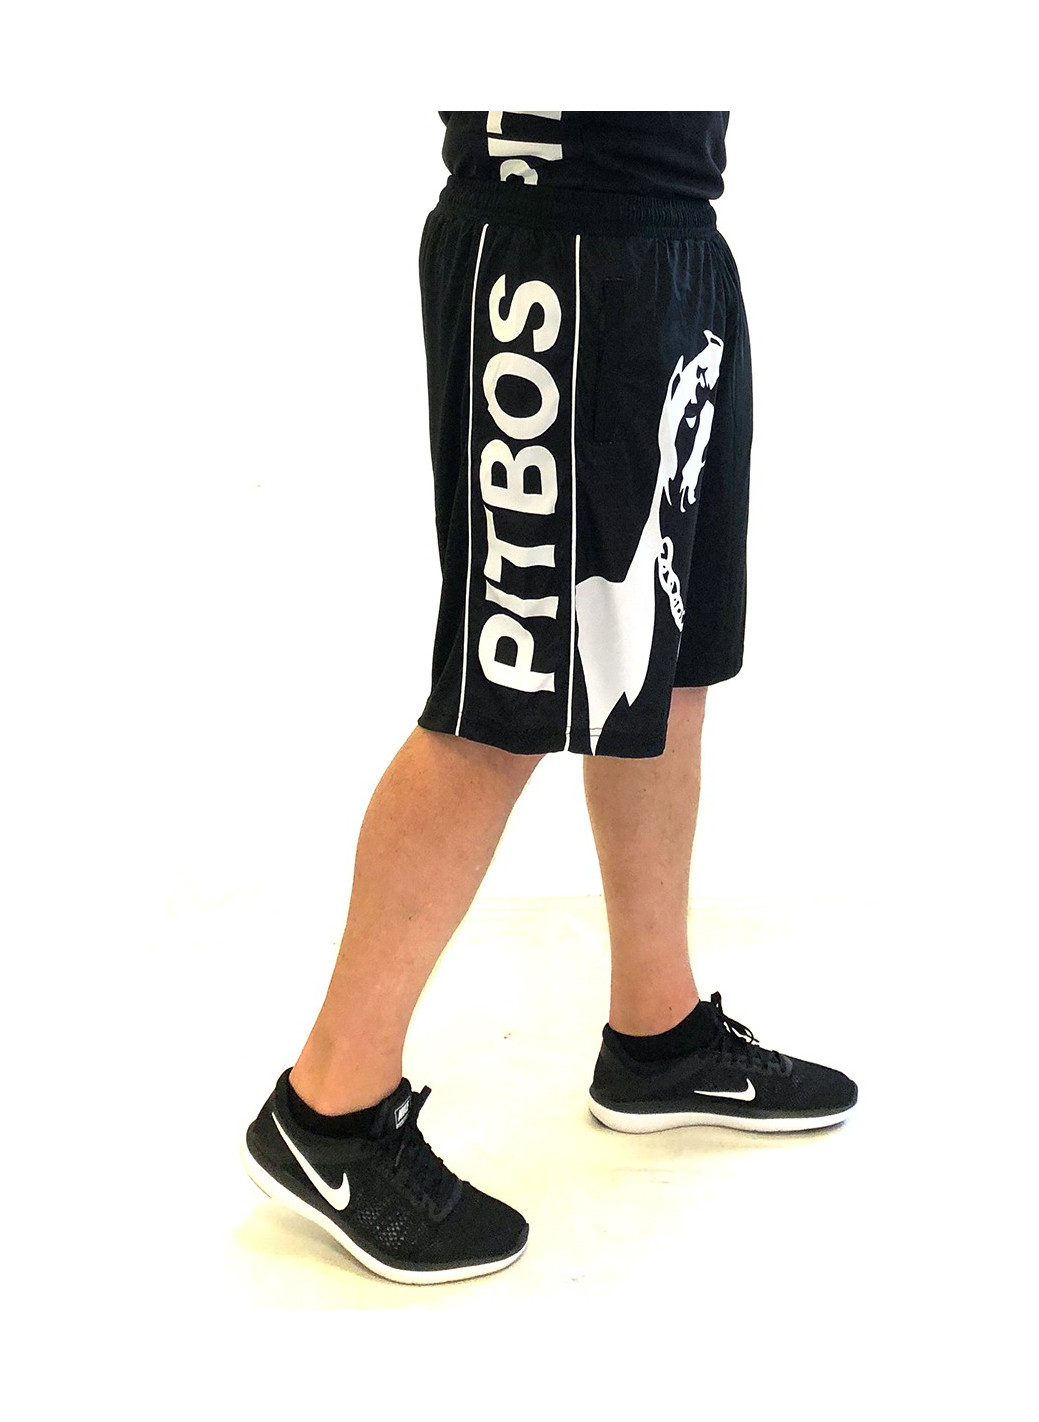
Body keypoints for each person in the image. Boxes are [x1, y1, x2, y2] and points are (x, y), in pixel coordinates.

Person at [241, 111, 857, 1286]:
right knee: (506, 693)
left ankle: (655, 1035)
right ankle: (327, 1109)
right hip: (557, 246)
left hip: (670, 228)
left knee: (668, 667)